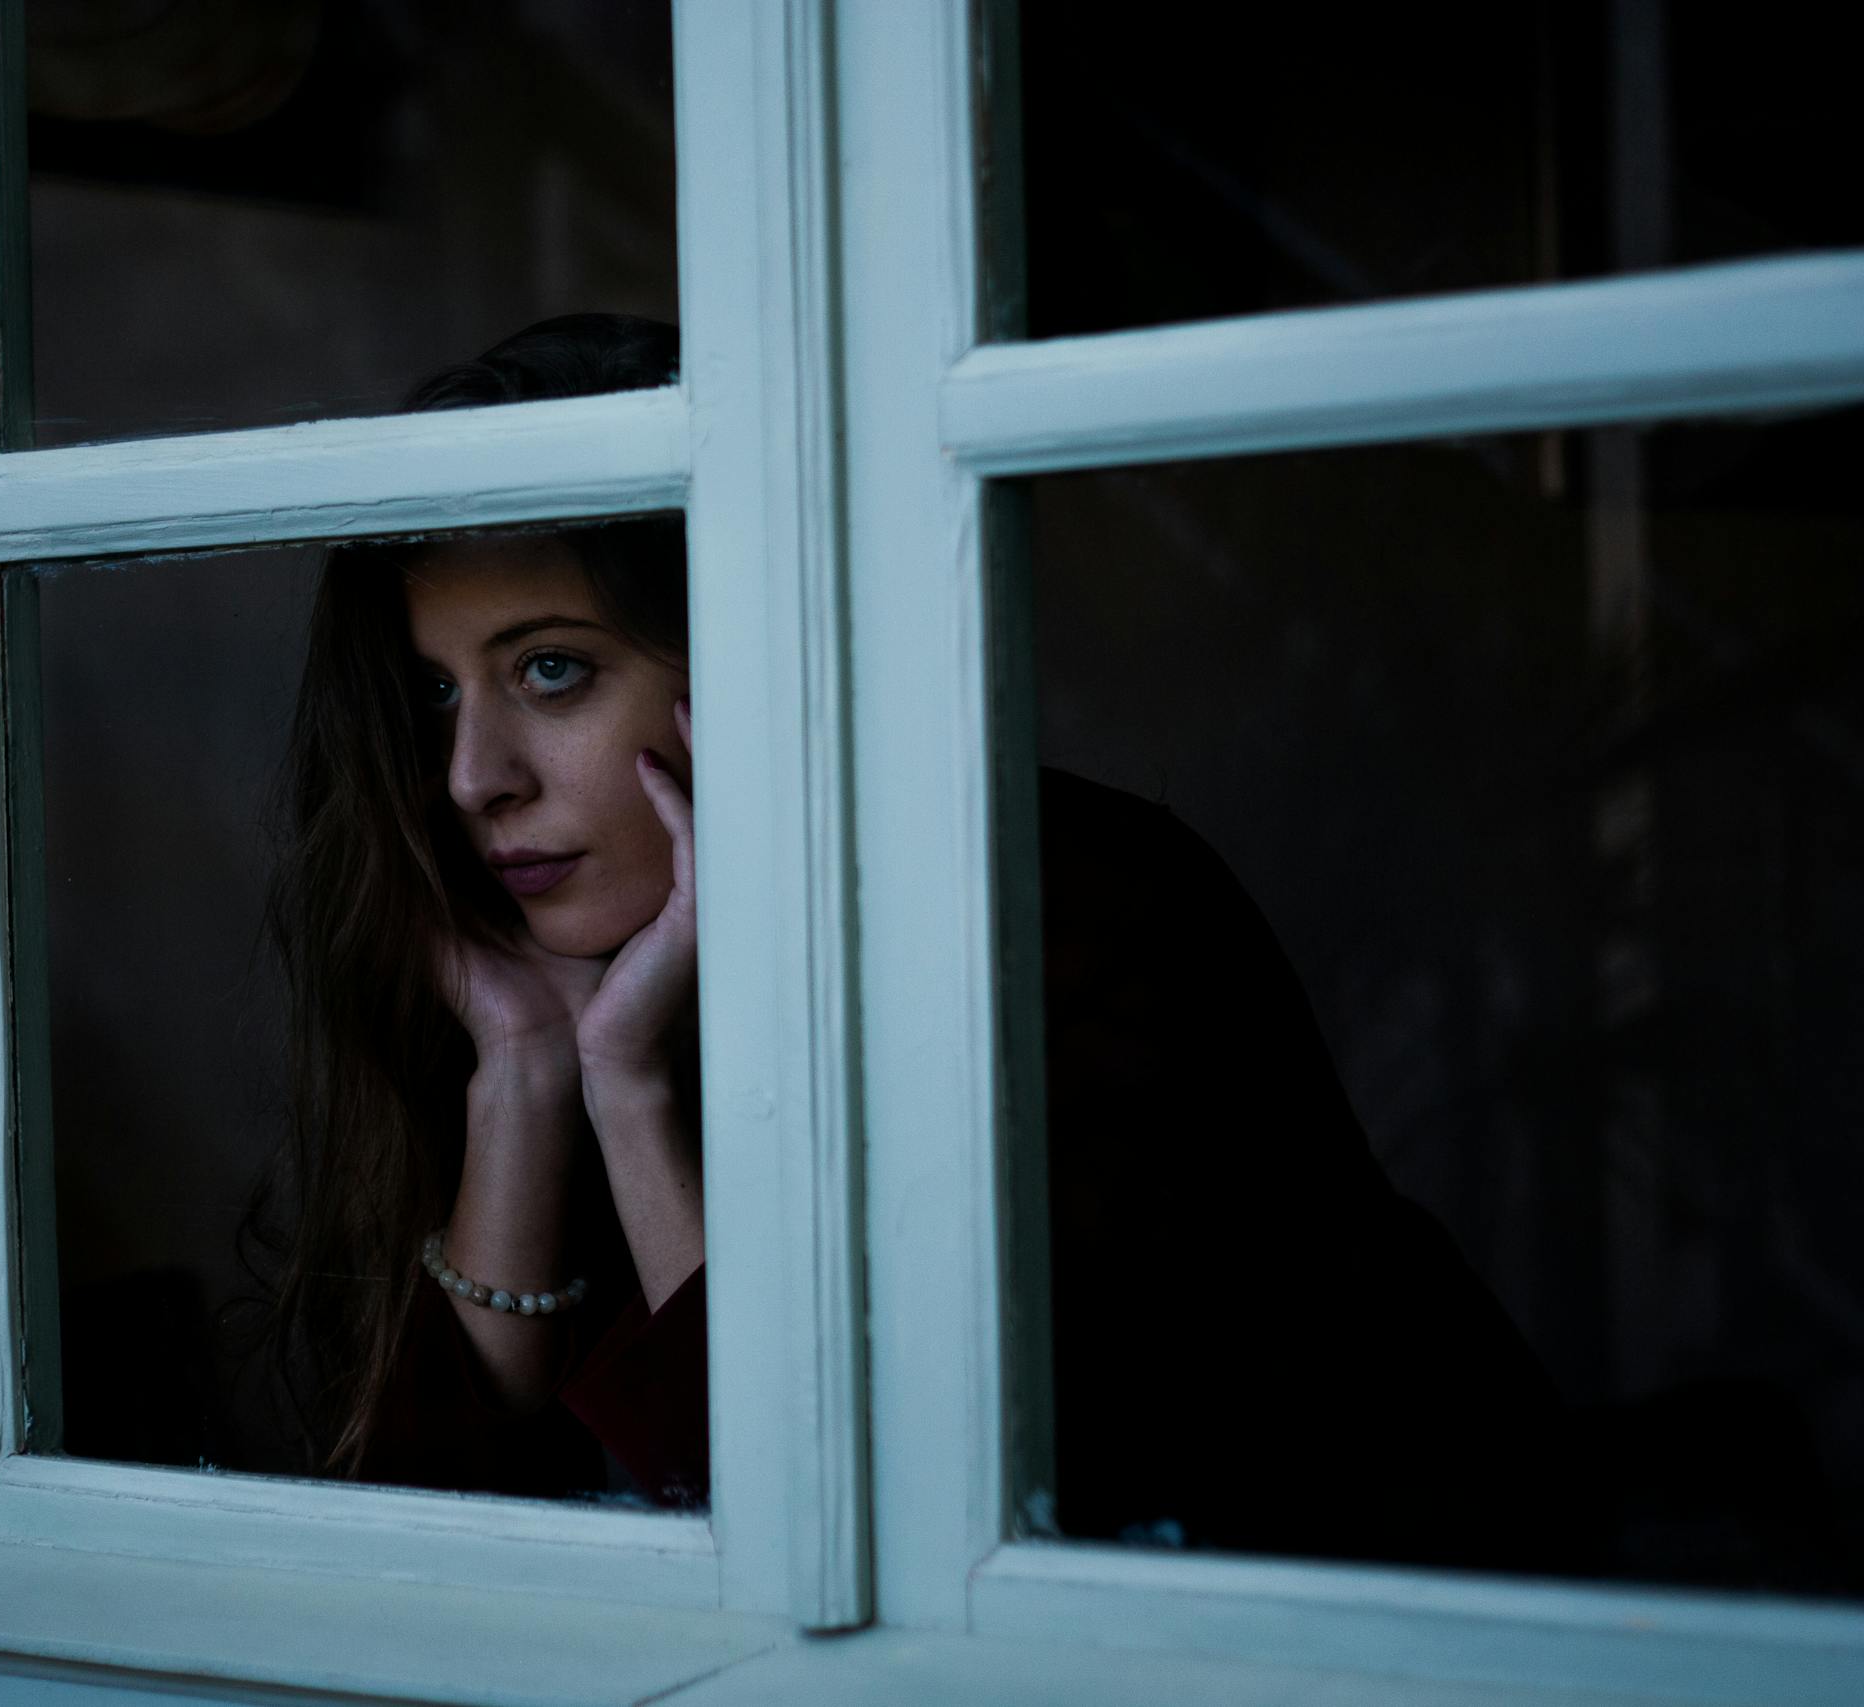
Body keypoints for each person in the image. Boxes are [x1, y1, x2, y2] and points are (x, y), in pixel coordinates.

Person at [256, 313, 1590, 1561]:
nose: (471, 776)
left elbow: (838, 1544)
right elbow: (420, 1552)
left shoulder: (1048, 906)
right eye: (432, 694)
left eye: (554, 669)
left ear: (756, 639)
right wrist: (534, 1077)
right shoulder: (523, 966)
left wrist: (635, 1086)